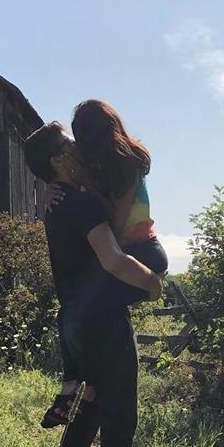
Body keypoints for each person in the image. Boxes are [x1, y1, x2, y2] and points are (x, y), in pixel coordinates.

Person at [23, 121, 161, 447]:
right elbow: (114, 260)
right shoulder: (80, 206)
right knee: (119, 421)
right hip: (102, 325)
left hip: (77, 323)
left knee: (91, 406)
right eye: (70, 143)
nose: (79, 145)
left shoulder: (60, 202)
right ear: (58, 160)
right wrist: (152, 285)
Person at [38, 100, 168, 427]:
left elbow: (116, 224)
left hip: (144, 253)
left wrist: (83, 183)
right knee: (75, 310)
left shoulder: (129, 164)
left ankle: (83, 385)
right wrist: (49, 188)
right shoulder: (103, 166)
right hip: (127, 253)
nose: (78, 149)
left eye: (81, 140)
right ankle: (85, 385)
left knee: (79, 310)